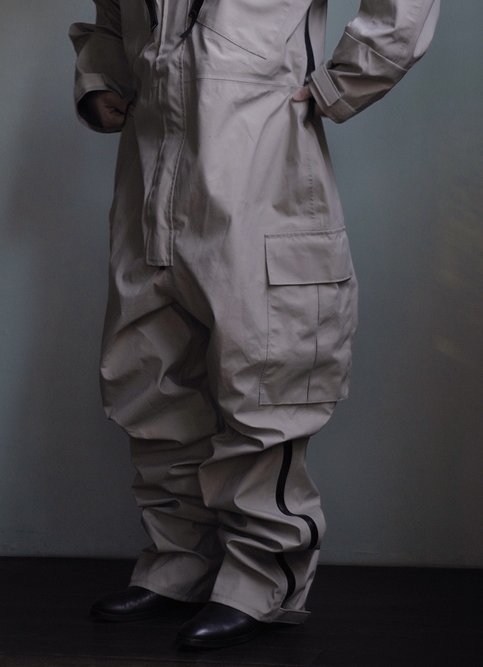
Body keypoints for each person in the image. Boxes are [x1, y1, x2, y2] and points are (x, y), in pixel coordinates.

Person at [70, 0, 440, 649]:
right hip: (149, 169)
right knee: (151, 381)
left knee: (266, 381)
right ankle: (177, 565)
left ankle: (257, 579)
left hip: (261, 163)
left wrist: (341, 81)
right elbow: (111, 16)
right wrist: (102, 78)